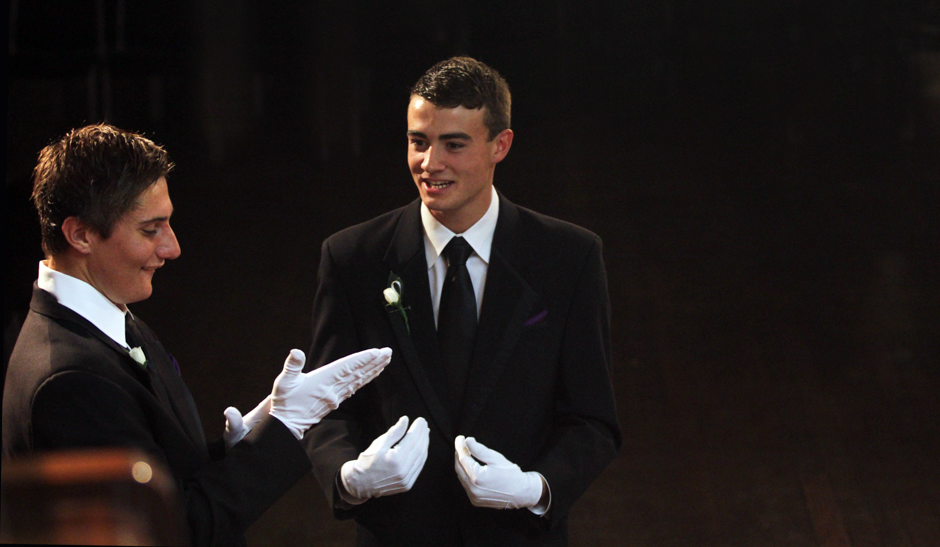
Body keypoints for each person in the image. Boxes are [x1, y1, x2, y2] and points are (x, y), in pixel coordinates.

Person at [2, 124, 393, 546]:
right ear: (80, 235)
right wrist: (284, 428)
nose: (173, 248)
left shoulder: (107, 316)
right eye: (151, 230)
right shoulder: (68, 379)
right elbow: (171, 531)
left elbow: (161, 471)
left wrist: (245, 441)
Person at [304, 56, 622, 545]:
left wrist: (537, 488)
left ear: (501, 145)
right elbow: (329, 407)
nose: (431, 164)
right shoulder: (352, 259)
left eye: (454, 144)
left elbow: (592, 419)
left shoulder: (569, 258)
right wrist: (348, 475)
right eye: (418, 142)